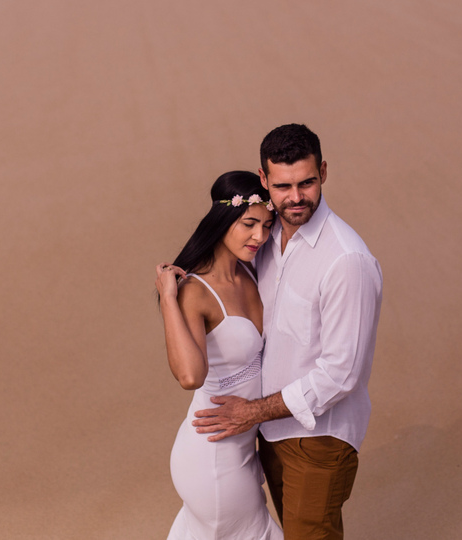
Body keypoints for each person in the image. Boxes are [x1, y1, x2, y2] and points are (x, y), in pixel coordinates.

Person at [192, 124, 382, 540]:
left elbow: (341, 374)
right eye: (282, 185)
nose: (295, 197)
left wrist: (252, 412)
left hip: (318, 439)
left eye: (306, 183)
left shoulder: (346, 260)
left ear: (324, 173)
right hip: (270, 435)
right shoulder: (265, 237)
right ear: (264, 181)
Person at [155, 171, 284, 540]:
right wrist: (168, 297)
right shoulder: (195, 291)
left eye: (266, 224)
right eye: (249, 224)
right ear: (223, 219)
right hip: (211, 456)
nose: (260, 236)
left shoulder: (253, 271)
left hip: (244, 448)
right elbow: (190, 377)